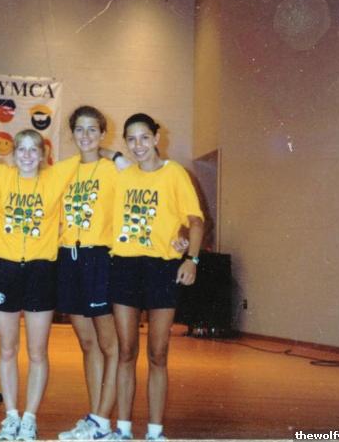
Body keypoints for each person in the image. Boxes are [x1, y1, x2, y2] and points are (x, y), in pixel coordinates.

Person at [110, 113, 203, 441]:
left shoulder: (174, 173)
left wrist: (191, 258)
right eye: (131, 139)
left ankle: (154, 431)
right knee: (126, 351)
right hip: (125, 266)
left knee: (158, 353)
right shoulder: (122, 177)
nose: (138, 145)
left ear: (156, 138)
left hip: (161, 269)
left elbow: (194, 221)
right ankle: (122, 429)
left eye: (144, 138)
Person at [0, 129, 74, 441]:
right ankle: (11, 416)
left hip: (40, 270)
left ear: (43, 154)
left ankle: (29, 418)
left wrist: (117, 156)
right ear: (13, 153)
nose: (26, 155)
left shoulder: (55, 177)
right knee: (7, 348)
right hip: (5, 268)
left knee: (37, 351)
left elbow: (90, 155)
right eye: (20, 149)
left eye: (32, 150)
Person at [54, 106, 121, 440]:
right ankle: (96, 419)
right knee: (87, 343)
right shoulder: (63, 170)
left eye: (92, 129)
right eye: (79, 129)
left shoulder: (113, 170)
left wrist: (111, 154)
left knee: (110, 345)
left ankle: (102, 420)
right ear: (72, 133)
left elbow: (143, 178)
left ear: (103, 133)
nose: (85, 136)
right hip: (69, 258)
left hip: (99, 259)